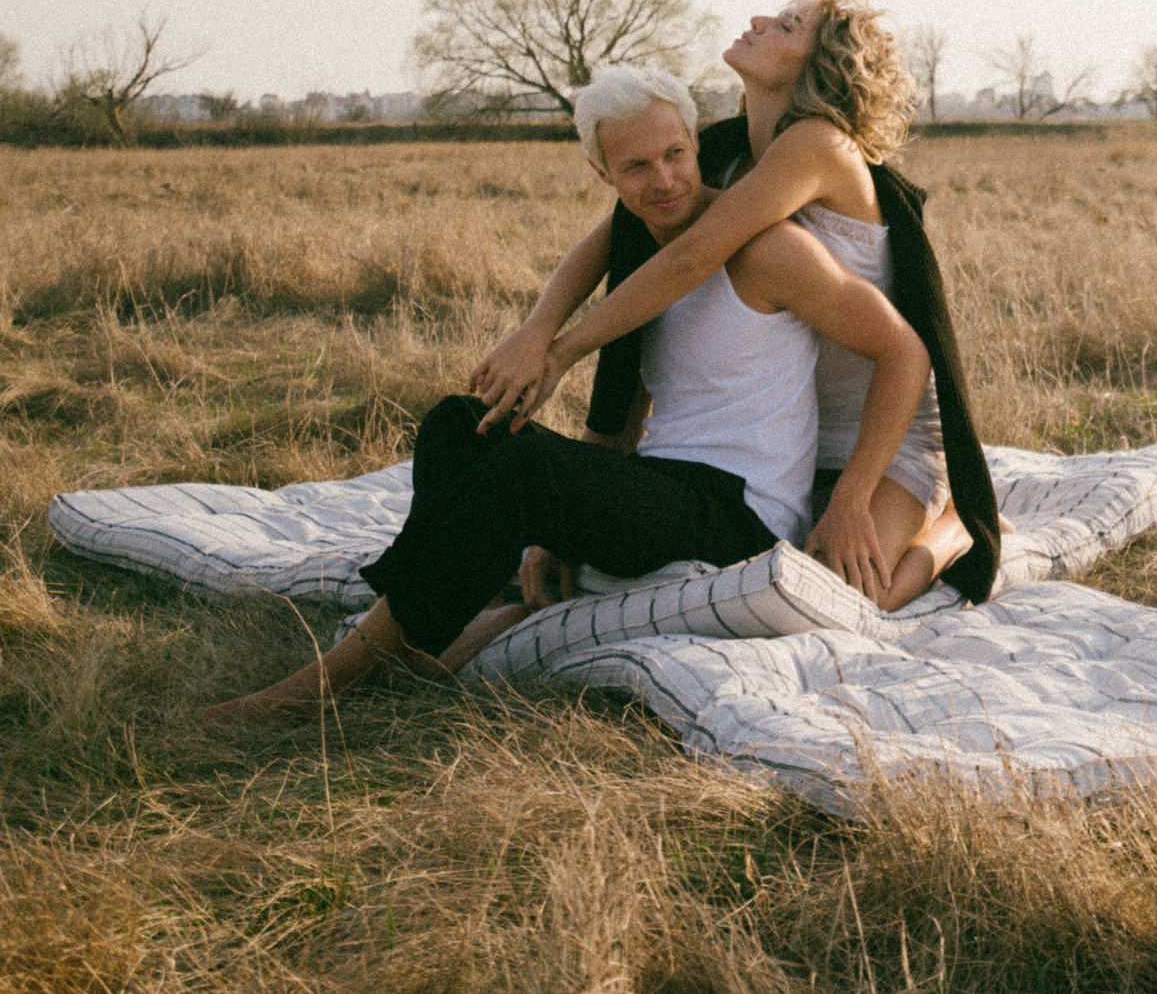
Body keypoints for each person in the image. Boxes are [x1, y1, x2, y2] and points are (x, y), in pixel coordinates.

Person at [206, 68, 931, 718]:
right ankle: (443, 610)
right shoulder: (635, 251)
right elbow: (613, 417)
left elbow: (905, 350)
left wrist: (849, 497)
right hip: (660, 481)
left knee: (527, 473)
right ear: (601, 169)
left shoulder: (770, 248)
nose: (665, 180)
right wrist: (556, 516)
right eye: (638, 166)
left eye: (677, 154)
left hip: (740, 510)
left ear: (693, 142)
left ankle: (337, 677)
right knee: (463, 423)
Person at [470, 0, 1005, 602]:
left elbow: (691, 257)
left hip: (883, 433)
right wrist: (535, 330)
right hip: (786, 441)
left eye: (784, 25)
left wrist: (559, 353)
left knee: (850, 594)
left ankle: (955, 529)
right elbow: (611, 238)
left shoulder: (818, 144)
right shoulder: (729, 155)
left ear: (820, 63)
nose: (756, 21)